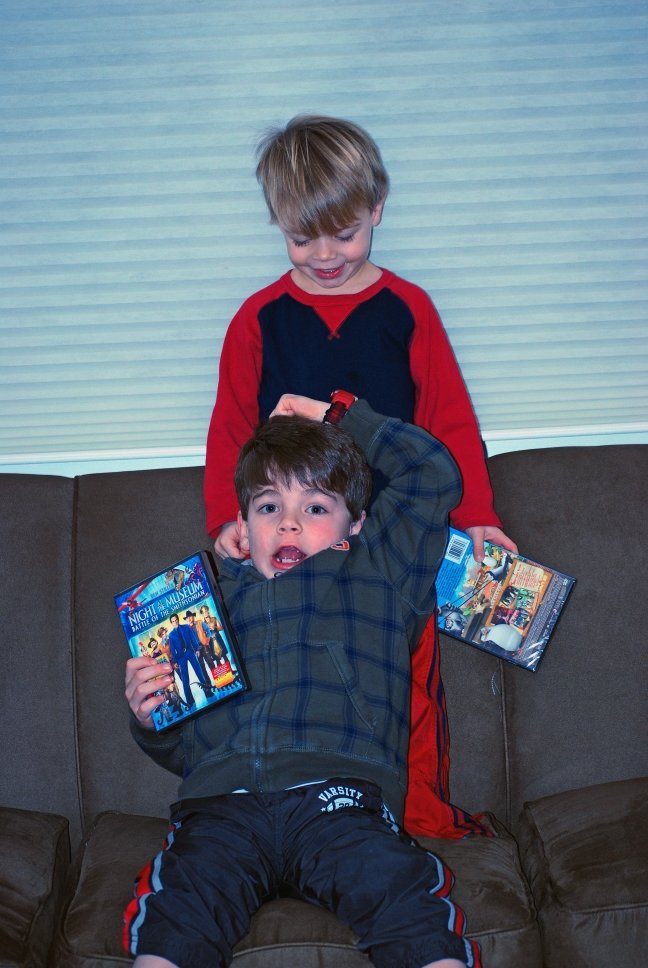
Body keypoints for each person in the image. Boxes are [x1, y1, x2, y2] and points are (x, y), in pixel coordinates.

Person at [203, 114, 517, 837]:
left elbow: (449, 420)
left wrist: (476, 514)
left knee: (408, 684)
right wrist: (228, 518)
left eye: (343, 234)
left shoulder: (408, 309)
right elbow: (229, 431)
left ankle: (415, 812)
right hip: (299, 545)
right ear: (277, 224)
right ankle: (302, 812)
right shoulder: (258, 318)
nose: (324, 255)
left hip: (395, 539)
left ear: (377, 208)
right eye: (301, 238)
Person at [124, 393, 480, 968]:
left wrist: (333, 414)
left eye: (315, 507)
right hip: (221, 809)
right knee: (179, 912)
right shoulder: (206, 607)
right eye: (268, 507)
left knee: (398, 894)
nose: (288, 522)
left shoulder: (377, 569)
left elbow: (431, 474)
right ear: (243, 526)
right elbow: (190, 751)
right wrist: (151, 719)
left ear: (355, 523)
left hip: (339, 797)